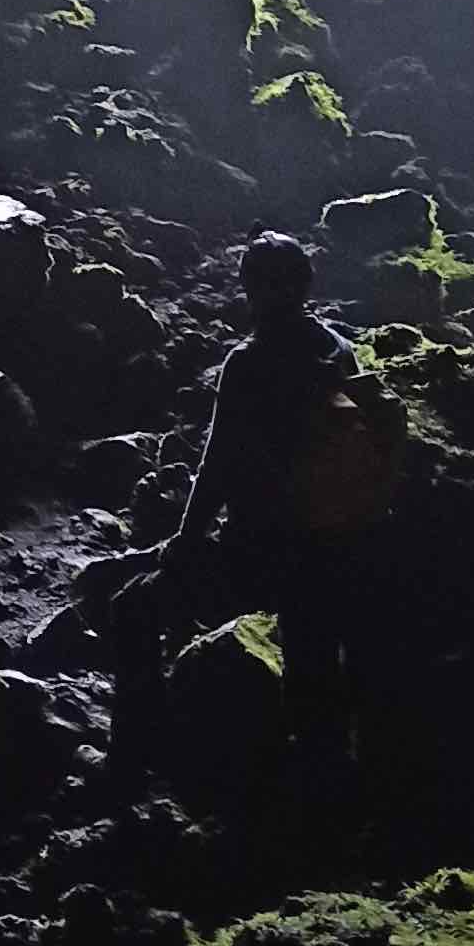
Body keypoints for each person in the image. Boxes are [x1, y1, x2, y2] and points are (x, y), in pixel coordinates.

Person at [113, 234, 402, 794]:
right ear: (306, 285)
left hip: (259, 554)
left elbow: (218, 464)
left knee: (133, 608)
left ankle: (135, 763)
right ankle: (328, 811)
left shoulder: (249, 363)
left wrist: (186, 541)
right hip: (335, 551)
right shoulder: (340, 350)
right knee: (316, 683)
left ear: (250, 289)